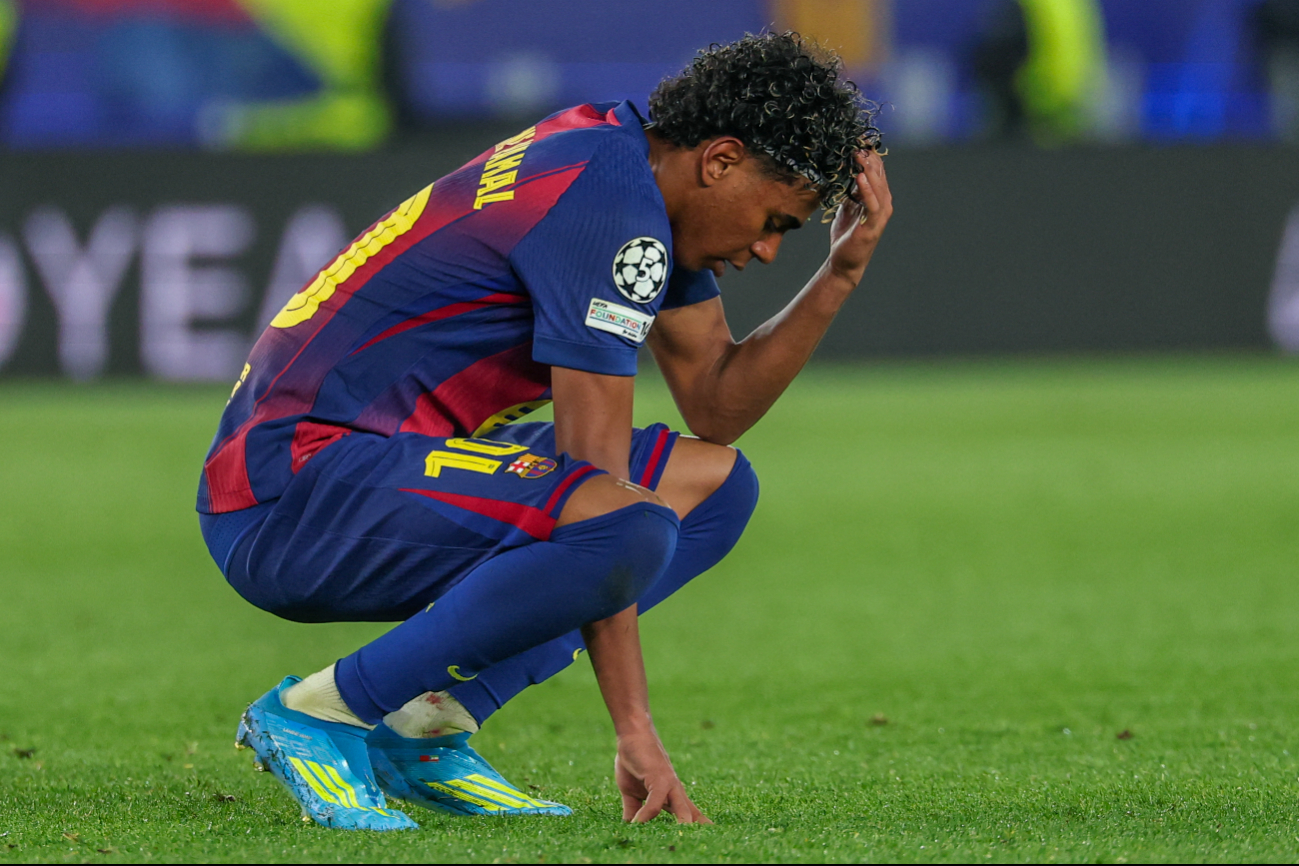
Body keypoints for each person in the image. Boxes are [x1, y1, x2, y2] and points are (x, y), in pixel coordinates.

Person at [198, 31, 891, 830]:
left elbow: (716, 405)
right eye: (774, 220)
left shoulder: (623, 163)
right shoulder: (610, 212)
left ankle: (425, 727)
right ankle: (320, 712)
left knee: (712, 486)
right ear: (721, 160)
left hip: (355, 469)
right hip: (292, 492)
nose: (767, 250)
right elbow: (602, 497)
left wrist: (840, 272)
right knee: (624, 521)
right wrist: (634, 729)